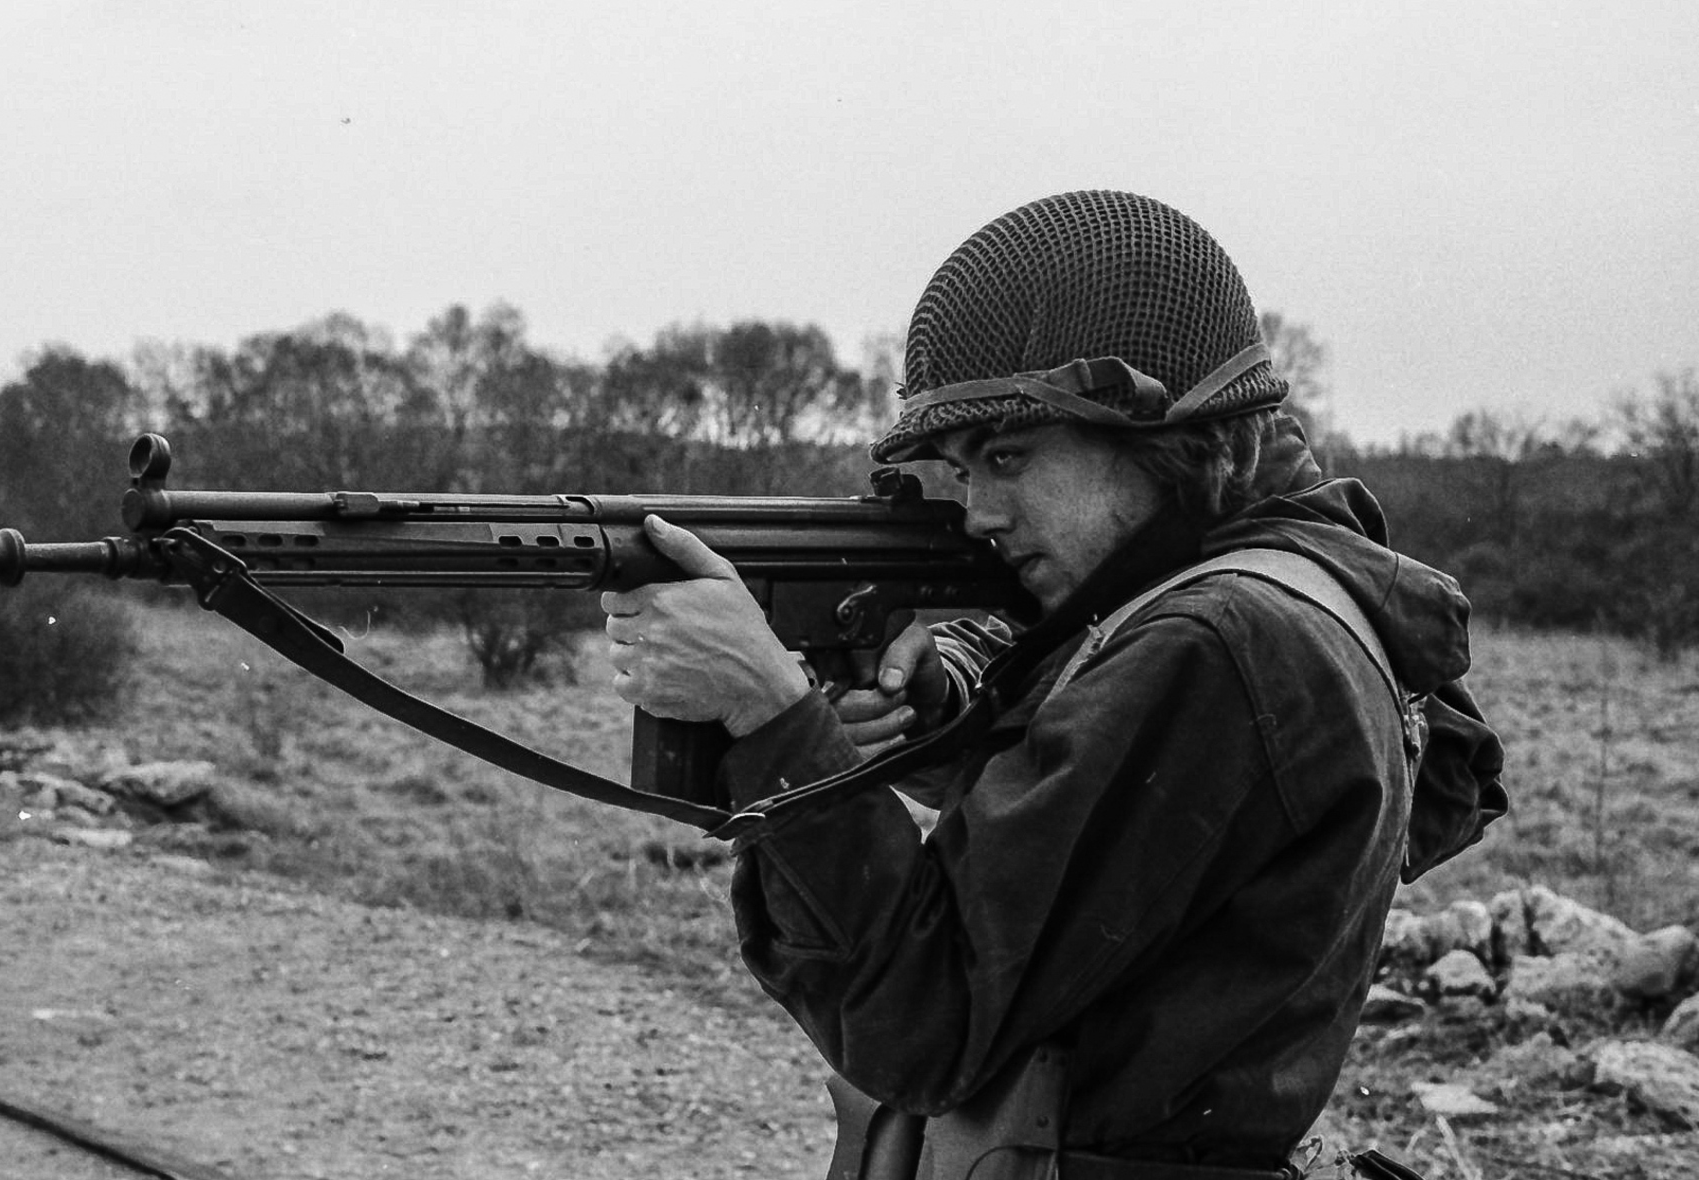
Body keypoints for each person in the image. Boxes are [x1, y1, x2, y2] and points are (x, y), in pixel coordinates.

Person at [602, 191, 1504, 1179]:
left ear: (1158, 434)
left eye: (1008, 457)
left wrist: (769, 709)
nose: (978, 513)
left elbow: (921, 1022)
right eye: (963, 470)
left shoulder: (1223, 644)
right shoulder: (1269, 593)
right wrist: (944, 709)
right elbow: (1106, 834)